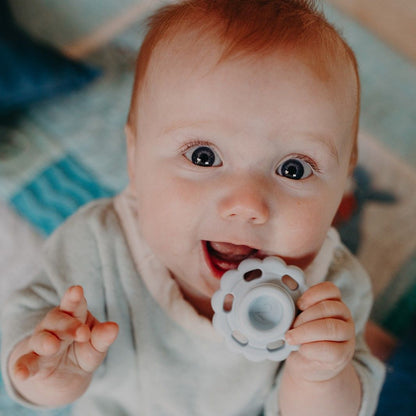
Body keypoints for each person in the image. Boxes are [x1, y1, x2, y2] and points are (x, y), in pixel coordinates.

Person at [1, 0, 385, 415]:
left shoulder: (330, 293)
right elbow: (28, 338)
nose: (246, 205)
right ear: (135, 157)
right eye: (203, 156)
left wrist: (320, 376)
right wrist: (53, 373)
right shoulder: (97, 245)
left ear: (344, 176)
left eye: (293, 169)